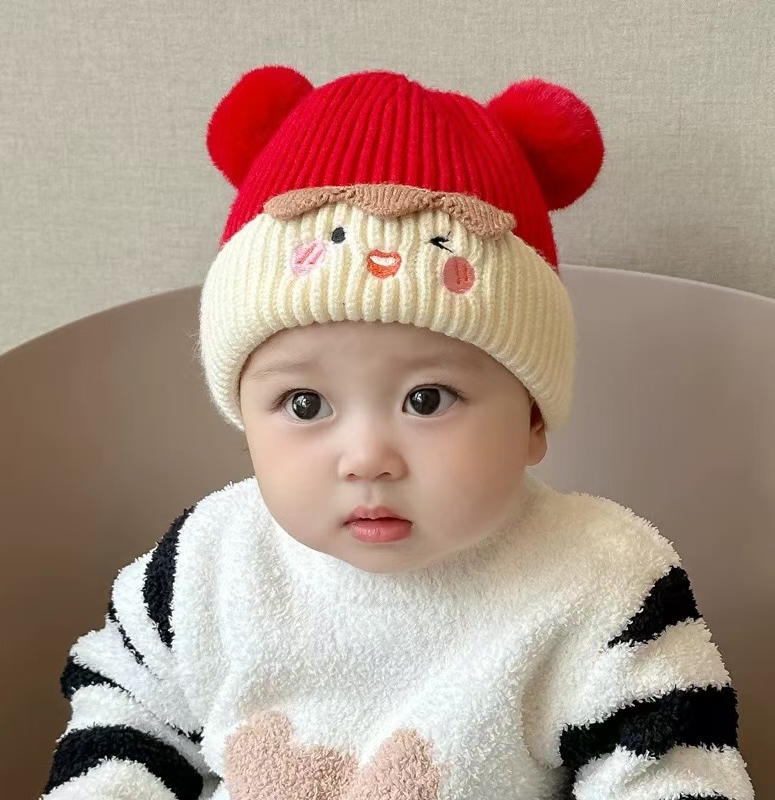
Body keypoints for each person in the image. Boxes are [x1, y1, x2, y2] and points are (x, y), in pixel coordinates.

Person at [39, 66, 755, 800]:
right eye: (305, 404)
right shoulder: (210, 560)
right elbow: (125, 716)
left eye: (427, 398)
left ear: (532, 421)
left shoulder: (599, 580)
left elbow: (674, 771)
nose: (367, 459)